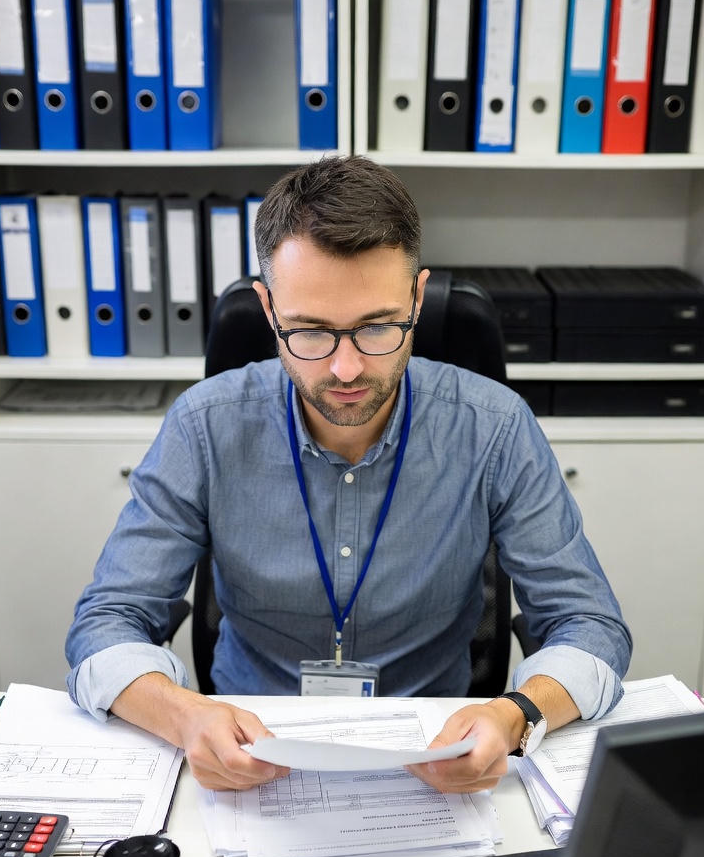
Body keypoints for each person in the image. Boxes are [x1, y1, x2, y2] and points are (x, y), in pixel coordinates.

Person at [66, 155, 631, 794]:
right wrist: (185, 716)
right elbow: (106, 622)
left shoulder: (493, 426)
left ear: (417, 298)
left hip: (433, 756)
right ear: (267, 307)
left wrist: (515, 715)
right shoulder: (205, 425)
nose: (345, 368)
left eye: (377, 327)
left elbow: (591, 626)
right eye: (309, 332)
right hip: (252, 756)